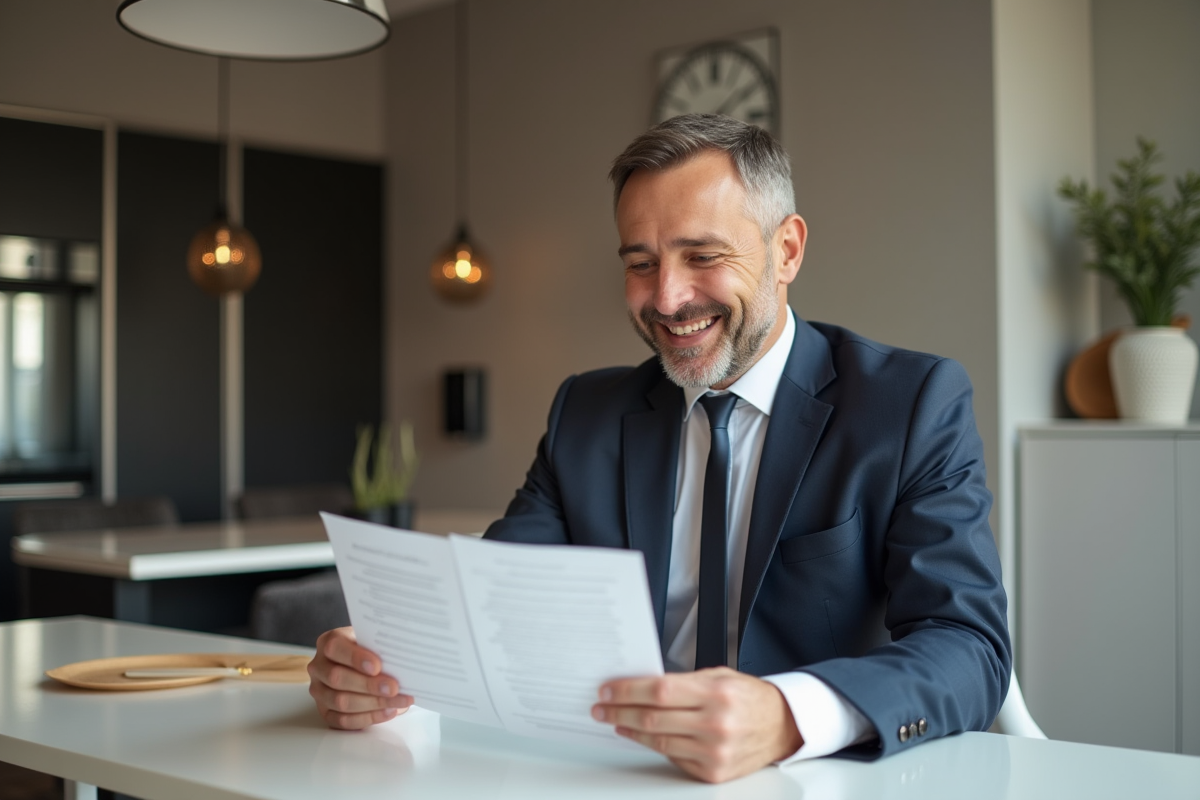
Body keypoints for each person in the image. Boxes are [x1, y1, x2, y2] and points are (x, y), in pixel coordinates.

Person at [307, 113, 1011, 784]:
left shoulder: (910, 404)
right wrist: (380, 666)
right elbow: (500, 600)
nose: (668, 298)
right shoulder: (586, 411)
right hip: (611, 777)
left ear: (787, 249)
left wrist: (789, 715)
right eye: (640, 263)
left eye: (702, 256)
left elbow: (968, 647)